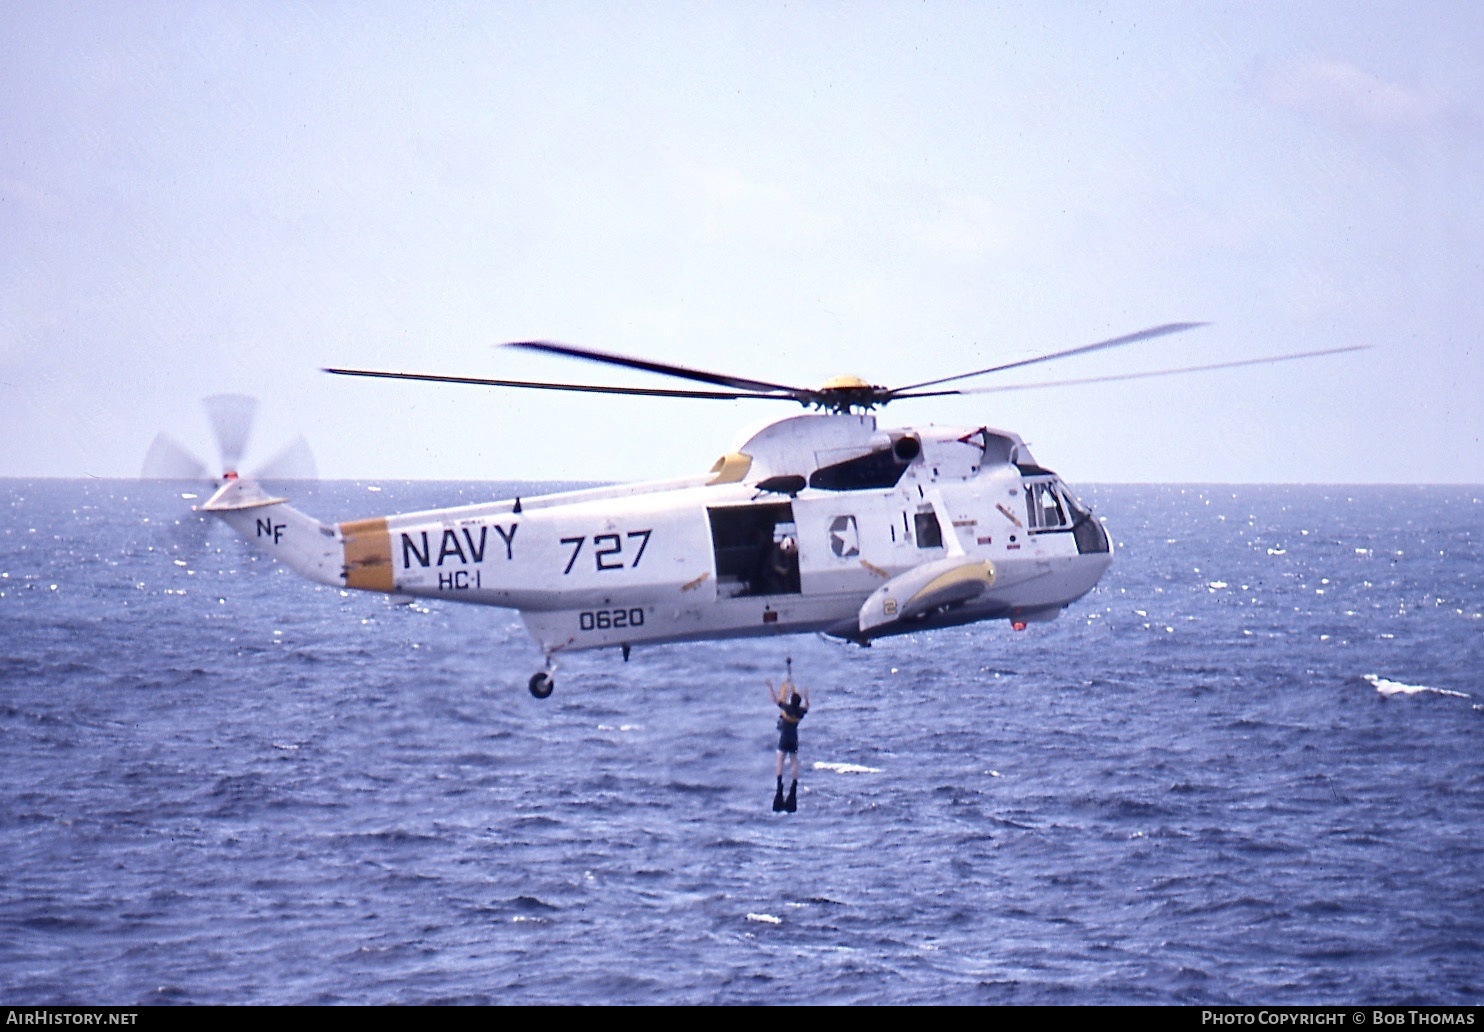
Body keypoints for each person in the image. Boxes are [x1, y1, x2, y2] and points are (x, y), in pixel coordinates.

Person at [767, 658, 809, 813]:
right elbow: (807, 706)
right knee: (793, 761)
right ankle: (794, 786)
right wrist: (805, 696)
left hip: (784, 738)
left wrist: (770, 686)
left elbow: (775, 700)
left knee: (780, 758)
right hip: (794, 739)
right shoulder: (799, 712)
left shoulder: (786, 709)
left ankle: (779, 786)